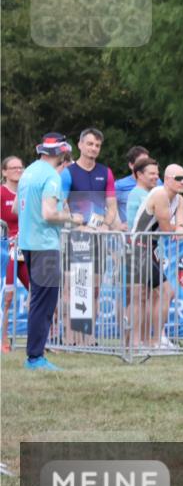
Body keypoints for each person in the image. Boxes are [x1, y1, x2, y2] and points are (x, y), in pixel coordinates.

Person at [16, 133, 82, 370]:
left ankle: (34, 355)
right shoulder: (52, 177)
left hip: (28, 243)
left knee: (38, 301)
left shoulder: (28, 173)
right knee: (44, 303)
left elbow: (16, 208)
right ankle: (35, 357)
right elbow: (49, 214)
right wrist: (71, 218)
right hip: (45, 245)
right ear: (62, 153)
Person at [60, 127, 121, 345]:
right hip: (75, 238)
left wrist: (105, 225)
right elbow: (61, 204)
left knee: (93, 290)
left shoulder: (106, 172)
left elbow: (111, 206)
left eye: (97, 145)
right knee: (73, 289)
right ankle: (69, 337)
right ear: (80, 145)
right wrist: (74, 223)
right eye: (90, 144)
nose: (93, 148)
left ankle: (88, 337)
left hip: (97, 239)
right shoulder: (68, 173)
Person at [131, 163, 183, 349]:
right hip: (138, 246)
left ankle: (149, 340)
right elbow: (167, 229)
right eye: (178, 179)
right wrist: (180, 228)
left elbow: (180, 224)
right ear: (167, 180)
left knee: (150, 294)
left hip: (151, 246)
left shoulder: (179, 199)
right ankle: (147, 340)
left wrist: (181, 227)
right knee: (159, 292)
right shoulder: (160, 194)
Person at [124, 157, 162, 347]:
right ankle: (136, 340)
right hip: (138, 249)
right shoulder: (138, 195)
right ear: (139, 175)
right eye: (152, 174)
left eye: (157, 173)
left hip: (147, 249)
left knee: (145, 296)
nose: (157, 177)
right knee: (140, 296)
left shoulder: (147, 193)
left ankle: (143, 340)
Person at [2, 156, 29, 353]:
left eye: (20, 168)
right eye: (13, 168)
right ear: (4, 172)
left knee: (39, 290)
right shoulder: (1, 193)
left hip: (27, 247)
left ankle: (42, 337)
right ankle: (3, 338)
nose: (18, 171)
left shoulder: (27, 191)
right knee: (8, 296)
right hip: (6, 249)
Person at [114, 146, 156, 224]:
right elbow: (106, 206)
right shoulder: (119, 185)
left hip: (152, 231)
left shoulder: (157, 181)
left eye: (147, 162)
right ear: (131, 165)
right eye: (141, 162)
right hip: (130, 233)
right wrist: (118, 224)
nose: (146, 165)